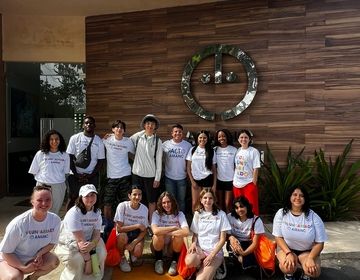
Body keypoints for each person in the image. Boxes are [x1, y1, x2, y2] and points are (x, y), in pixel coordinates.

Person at [0, 185, 61, 280]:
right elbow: (6, 252)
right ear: (32, 201)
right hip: (9, 258)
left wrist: (40, 254)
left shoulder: (55, 220)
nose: (44, 203)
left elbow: (52, 243)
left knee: (54, 261)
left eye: (48, 199)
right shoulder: (19, 223)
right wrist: (23, 268)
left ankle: (32, 278)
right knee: (14, 277)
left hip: (32, 258)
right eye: (39, 200)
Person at [272, 186, 328, 280]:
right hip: (286, 249)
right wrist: (288, 253)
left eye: (301, 195)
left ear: (305, 199)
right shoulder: (281, 213)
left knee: (313, 272)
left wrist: (311, 258)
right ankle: (289, 275)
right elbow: (278, 237)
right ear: (289, 197)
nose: (298, 198)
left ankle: (305, 275)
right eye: (294, 194)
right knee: (287, 267)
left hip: (307, 251)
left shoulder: (314, 217)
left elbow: (320, 243)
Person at [55, 184, 106, 280]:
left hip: (89, 240)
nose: (90, 198)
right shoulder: (74, 213)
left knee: (102, 252)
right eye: (87, 196)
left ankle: (95, 277)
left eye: (93, 195)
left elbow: (96, 233)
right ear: (81, 197)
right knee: (78, 259)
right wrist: (88, 260)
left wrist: (93, 244)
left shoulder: (97, 212)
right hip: (71, 242)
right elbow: (80, 240)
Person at [185, 188, 231, 280]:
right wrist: (193, 243)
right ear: (201, 200)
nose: (207, 200)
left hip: (214, 252)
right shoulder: (198, 213)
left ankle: (216, 268)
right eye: (205, 198)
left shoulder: (221, 214)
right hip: (200, 249)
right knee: (189, 261)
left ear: (214, 200)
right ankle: (201, 265)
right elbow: (195, 234)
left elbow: (222, 239)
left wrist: (212, 255)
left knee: (200, 279)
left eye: (210, 198)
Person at [102, 120, 135, 241]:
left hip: (125, 176)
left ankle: (126, 228)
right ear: (113, 129)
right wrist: (107, 136)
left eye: (121, 127)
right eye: (116, 127)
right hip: (111, 177)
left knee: (126, 203)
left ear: (124, 131)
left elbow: (134, 154)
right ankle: (108, 227)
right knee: (107, 203)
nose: (119, 129)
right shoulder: (107, 140)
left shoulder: (128, 142)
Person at [66, 116, 105, 211]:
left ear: (94, 125)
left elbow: (101, 161)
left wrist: (91, 175)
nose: (88, 125)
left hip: (91, 176)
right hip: (75, 175)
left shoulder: (98, 141)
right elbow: (69, 157)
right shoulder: (75, 138)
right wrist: (76, 174)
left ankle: (89, 220)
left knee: (91, 199)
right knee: (73, 198)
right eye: (86, 123)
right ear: (83, 125)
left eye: (91, 123)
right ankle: (67, 221)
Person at [28, 129, 70, 214]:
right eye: (51, 139)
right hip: (42, 185)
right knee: (40, 209)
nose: (54, 141)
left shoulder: (65, 155)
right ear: (47, 141)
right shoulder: (40, 154)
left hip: (58, 186)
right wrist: (43, 180)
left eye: (57, 139)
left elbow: (66, 172)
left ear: (60, 140)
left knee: (55, 211)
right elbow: (34, 171)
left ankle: (52, 227)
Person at [130, 114, 163, 221]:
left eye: (152, 124)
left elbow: (159, 161)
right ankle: (139, 221)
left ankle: (151, 223)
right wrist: (111, 136)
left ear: (155, 126)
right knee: (137, 199)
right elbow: (124, 141)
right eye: (148, 123)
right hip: (137, 174)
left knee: (151, 200)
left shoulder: (158, 141)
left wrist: (157, 178)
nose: (150, 126)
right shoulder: (137, 137)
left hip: (150, 176)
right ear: (144, 125)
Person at [151, 191, 189, 275]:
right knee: (158, 235)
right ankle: (158, 260)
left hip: (171, 248)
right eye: (164, 202)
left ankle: (174, 262)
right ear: (160, 204)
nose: (166, 205)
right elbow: (155, 231)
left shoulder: (179, 214)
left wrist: (169, 233)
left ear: (172, 202)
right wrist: (174, 228)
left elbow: (186, 232)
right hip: (158, 246)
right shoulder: (156, 213)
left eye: (168, 202)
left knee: (179, 236)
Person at [114, 186, 149, 273]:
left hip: (136, 234)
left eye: (139, 194)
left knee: (138, 252)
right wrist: (137, 225)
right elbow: (119, 229)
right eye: (134, 194)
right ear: (129, 196)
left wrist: (133, 243)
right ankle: (122, 257)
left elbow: (144, 230)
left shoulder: (144, 209)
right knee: (122, 237)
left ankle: (132, 253)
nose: (137, 197)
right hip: (124, 232)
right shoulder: (122, 206)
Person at [227, 196, 265, 272]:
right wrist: (231, 238)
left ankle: (241, 262)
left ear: (247, 206)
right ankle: (239, 261)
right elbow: (225, 234)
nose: (239, 210)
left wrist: (243, 254)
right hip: (234, 242)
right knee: (243, 259)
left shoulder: (256, 220)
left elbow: (255, 243)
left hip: (249, 244)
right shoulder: (230, 217)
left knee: (248, 263)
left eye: (242, 206)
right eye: (236, 208)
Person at [162, 124, 192, 212]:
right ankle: (171, 217)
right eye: (175, 131)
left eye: (179, 132)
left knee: (181, 200)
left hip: (182, 177)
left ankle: (181, 217)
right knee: (170, 200)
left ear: (182, 133)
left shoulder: (187, 145)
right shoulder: (165, 144)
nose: (177, 133)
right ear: (172, 133)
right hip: (169, 177)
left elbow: (189, 162)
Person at [186, 130, 216, 212]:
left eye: (204, 138)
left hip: (207, 179)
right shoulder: (192, 150)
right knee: (195, 202)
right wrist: (192, 181)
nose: (202, 139)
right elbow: (188, 167)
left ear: (207, 139)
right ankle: (195, 223)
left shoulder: (211, 151)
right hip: (195, 179)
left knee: (206, 202)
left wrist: (214, 184)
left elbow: (214, 169)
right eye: (200, 137)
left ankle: (206, 221)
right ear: (197, 139)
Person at [233, 129, 261, 215]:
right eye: (241, 137)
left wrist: (254, 183)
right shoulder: (237, 151)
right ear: (238, 139)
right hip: (237, 184)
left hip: (249, 183)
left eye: (246, 137)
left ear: (249, 139)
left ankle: (253, 225)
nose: (243, 139)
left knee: (252, 206)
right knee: (239, 207)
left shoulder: (254, 151)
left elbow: (256, 168)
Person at [214, 129, 237, 213]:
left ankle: (230, 223)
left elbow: (237, 165)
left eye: (223, 136)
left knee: (228, 204)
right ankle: (221, 222)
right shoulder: (215, 149)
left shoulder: (234, 150)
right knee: (219, 204)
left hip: (230, 180)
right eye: (219, 137)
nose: (221, 138)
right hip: (219, 180)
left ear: (227, 137)